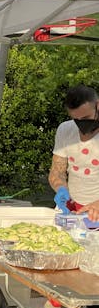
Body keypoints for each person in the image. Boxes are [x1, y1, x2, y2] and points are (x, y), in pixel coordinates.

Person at [49, 83, 99, 222]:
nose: (81, 123)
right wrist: (60, 188)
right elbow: (56, 171)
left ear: (97, 105)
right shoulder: (65, 130)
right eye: (76, 119)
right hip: (71, 211)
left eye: (86, 118)